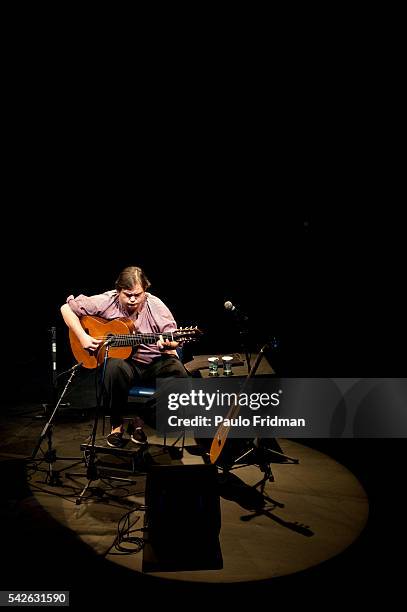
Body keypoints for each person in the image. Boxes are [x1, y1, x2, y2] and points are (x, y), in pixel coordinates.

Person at [60, 265, 189, 448]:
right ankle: (117, 425)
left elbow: (172, 334)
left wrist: (170, 343)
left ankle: (140, 418)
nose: (133, 299)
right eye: (127, 295)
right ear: (118, 290)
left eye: (138, 294)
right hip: (127, 365)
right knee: (112, 367)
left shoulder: (156, 305)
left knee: (180, 374)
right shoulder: (106, 300)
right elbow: (66, 308)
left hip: (153, 362)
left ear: (145, 290)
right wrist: (83, 337)